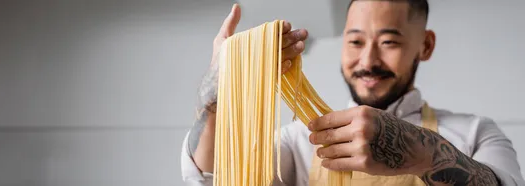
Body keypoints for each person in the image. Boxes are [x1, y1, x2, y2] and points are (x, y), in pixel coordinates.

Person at [180, 0, 525, 185]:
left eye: (389, 42)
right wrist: (216, 92)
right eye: (355, 41)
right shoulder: (299, 141)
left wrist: (421, 152)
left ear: (426, 44)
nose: (368, 60)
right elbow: (209, 179)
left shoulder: (477, 133)